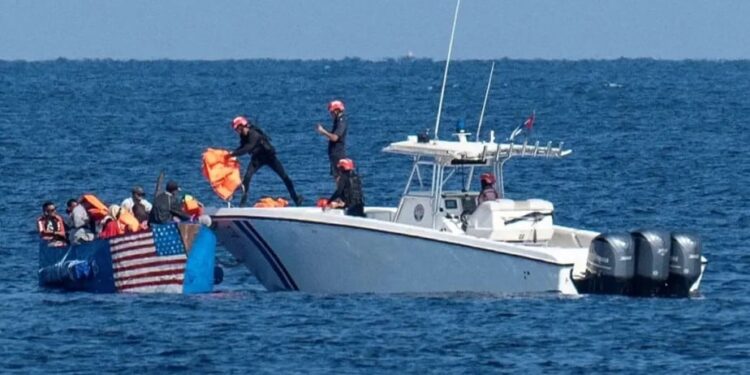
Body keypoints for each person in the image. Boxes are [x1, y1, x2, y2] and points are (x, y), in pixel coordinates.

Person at [229, 116, 303, 207]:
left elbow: (248, 147)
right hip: (257, 159)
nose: (236, 131)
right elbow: (242, 147)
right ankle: (242, 204)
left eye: (237, 128)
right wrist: (231, 153)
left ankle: (296, 199)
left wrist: (233, 154)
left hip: (269, 157)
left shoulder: (254, 134)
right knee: (246, 178)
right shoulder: (243, 136)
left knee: (285, 177)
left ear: (241, 126)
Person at [315, 100, 348, 178]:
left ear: (336, 111)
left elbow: (335, 137)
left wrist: (323, 131)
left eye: (332, 112)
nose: (331, 115)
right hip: (334, 155)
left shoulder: (341, 122)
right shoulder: (337, 121)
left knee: (339, 177)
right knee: (336, 176)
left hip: (338, 155)